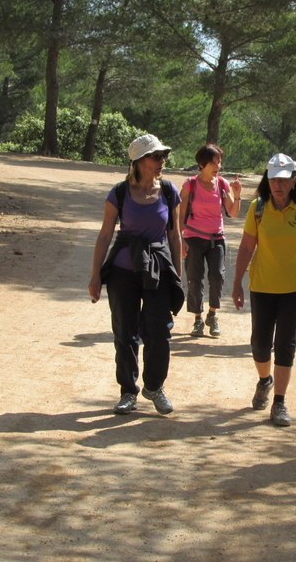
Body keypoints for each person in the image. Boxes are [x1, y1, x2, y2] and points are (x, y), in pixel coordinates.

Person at [88, 134, 184, 416]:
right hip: (122, 270)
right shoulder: (119, 193)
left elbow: (175, 236)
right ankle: (128, 391)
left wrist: (177, 274)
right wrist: (95, 275)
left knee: (159, 331)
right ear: (139, 161)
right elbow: (105, 234)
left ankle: (154, 387)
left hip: (157, 269)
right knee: (125, 332)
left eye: (162, 155)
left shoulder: (168, 191)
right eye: (156, 156)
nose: (161, 160)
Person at [232, 153, 296, 427]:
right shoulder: (258, 208)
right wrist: (237, 282)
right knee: (260, 343)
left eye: (283, 180)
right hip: (262, 285)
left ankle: (280, 402)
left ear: (294, 180)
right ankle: (265, 380)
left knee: (285, 344)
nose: (278, 185)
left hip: (295, 286)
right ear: (267, 179)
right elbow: (247, 246)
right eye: (273, 179)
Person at [180, 144, 243, 338]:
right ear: (202, 164)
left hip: (216, 239)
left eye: (219, 161)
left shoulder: (222, 184)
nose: (218, 166)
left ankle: (212, 315)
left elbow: (232, 213)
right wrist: (181, 240)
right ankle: (198, 319)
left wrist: (237, 194)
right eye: (213, 162)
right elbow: (180, 214)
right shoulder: (190, 184)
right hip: (193, 238)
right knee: (194, 279)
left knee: (217, 276)